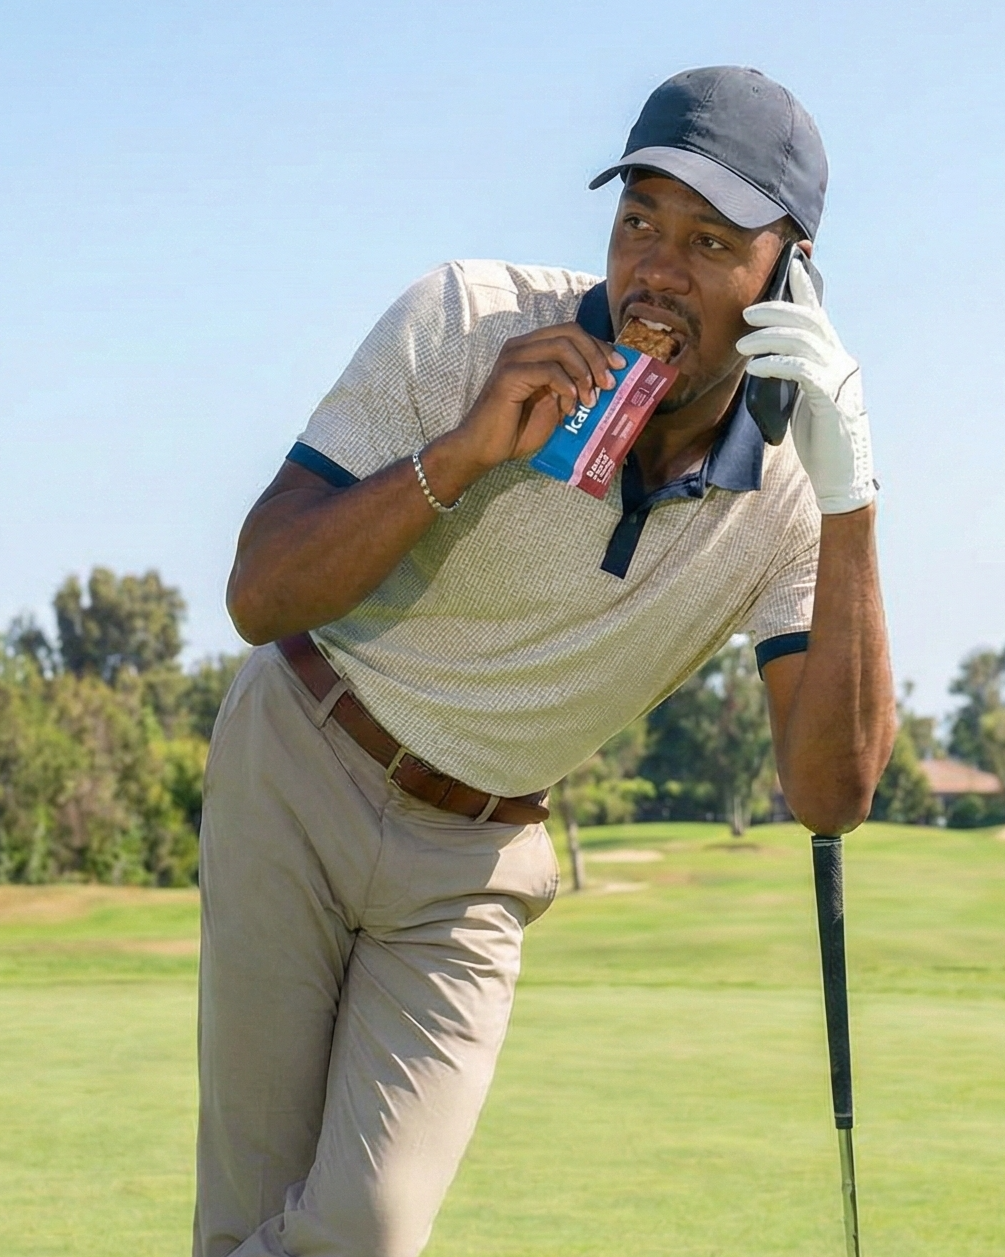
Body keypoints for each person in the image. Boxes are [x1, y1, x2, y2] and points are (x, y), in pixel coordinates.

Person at [194, 65, 896, 1257]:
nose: (656, 269)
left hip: (472, 867)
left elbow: (832, 792)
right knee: (251, 1220)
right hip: (298, 766)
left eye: (710, 240)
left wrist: (851, 499)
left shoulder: (788, 501)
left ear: (788, 281)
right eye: (638, 221)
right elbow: (261, 595)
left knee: (362, 1231)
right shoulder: (467, 320)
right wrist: (464, 454)